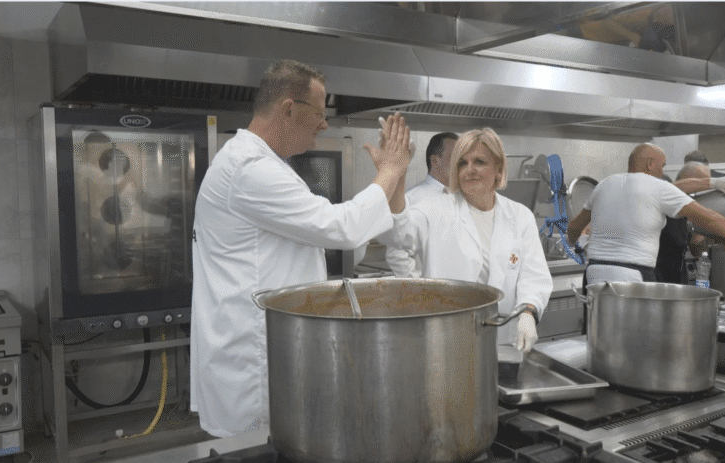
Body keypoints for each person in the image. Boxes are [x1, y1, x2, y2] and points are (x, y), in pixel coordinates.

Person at [190, 59, 412, 437]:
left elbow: (326, 232)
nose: (324, 124)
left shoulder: (266, 164)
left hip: (270, 349)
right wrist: (389, 170)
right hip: (254, 361)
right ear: (289, 109)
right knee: (258, 449)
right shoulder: (248, 167)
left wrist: (394, 176)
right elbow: (341, 228)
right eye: (320, 113)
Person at [378, 128, 553, 363]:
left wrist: (528, 313)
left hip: (503, 342)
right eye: (462, 163)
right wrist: (397, 174)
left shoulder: (520, 216)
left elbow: (534, 276)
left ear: (498, 168)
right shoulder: (435, 209)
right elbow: (396, 234)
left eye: (479, 162)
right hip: (447, 340)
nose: (469, 170)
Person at [566, 143, 725, 286]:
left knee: (596, 325)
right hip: (633, 276)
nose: (663, 171)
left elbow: (574, 228)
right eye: (662, 165)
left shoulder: (604, 184)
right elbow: (709, 218)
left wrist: (575, 245)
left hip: (594, 273)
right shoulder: (658, 187)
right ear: (650, 164)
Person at [385, 132, 458, 277]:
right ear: (435, 160)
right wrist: (421, 287)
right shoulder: (413, 199)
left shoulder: (464, 198)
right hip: (432, 289)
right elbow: (396, 254)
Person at [655, 162, 725, 284]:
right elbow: (670, 190)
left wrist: (706, 236)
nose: (706, 188)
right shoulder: (666, 198)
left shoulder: (687, 208)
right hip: (657, 274)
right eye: (702, 182)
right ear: (687, 179)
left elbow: (695, 248)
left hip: (677, 274)